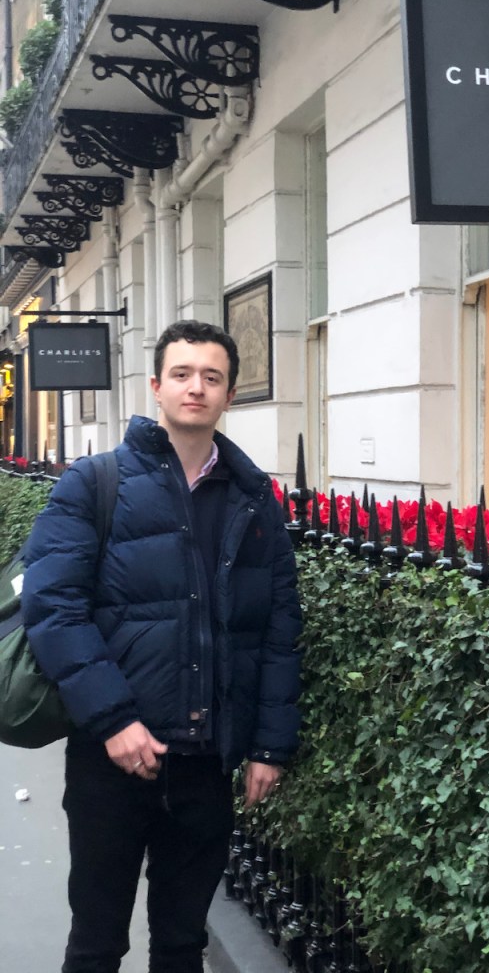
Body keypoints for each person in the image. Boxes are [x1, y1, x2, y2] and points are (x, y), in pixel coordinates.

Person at [22, 319, 303, 973]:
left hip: (206, 763)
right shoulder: (96, 483)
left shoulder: (253, 498)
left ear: (228, 393)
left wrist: (270, 746)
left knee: (182, 945)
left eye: (211, 377)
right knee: (97, 942)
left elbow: (278, 626)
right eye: (182, 374)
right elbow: (53, 606)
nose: (196, 387)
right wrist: (113, 720)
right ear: (156, 386)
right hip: (112, 761)